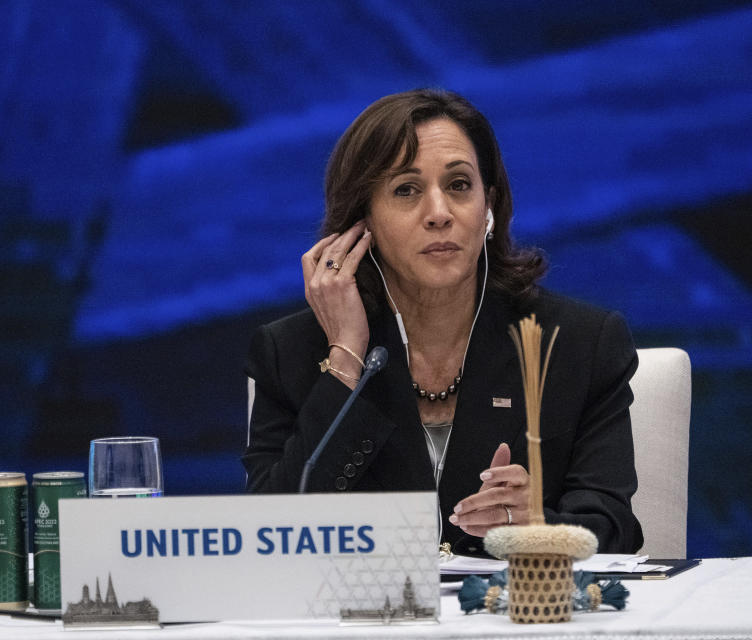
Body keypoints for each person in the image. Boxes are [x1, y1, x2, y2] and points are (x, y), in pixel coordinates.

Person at [242, 89, 644, 555]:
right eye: (406, 190)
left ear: (488, 206)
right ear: (361, 220)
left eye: (458, 186)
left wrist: (538, 523)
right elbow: (266, 538)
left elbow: (617, 532)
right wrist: (347, 357)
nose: (439, 214)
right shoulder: (290, 351)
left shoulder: (577, 344)